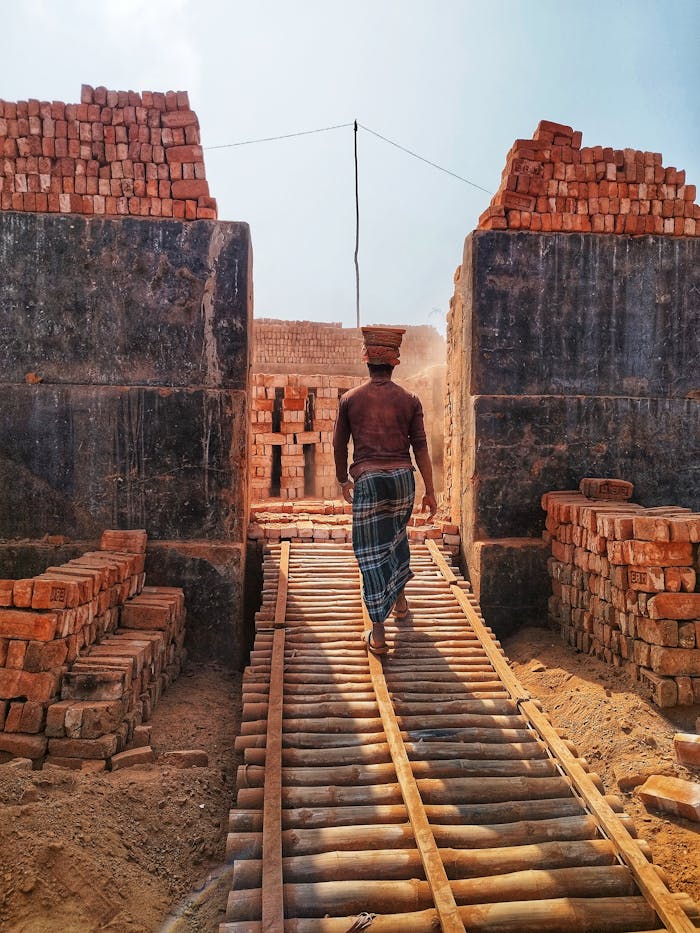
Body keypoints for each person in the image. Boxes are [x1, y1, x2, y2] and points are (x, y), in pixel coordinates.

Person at [333, 330, 437, 657]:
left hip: (369, 480)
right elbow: (420, 446)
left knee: (371, 552)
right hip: (404, 479)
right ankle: (401, 602)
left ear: (367, 360)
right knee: (396, 538)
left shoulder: (350, 399)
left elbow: (339, 444)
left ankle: (378, 633)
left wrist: (342, 480)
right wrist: (430, 491)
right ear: (395, 363)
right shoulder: (410, 400)